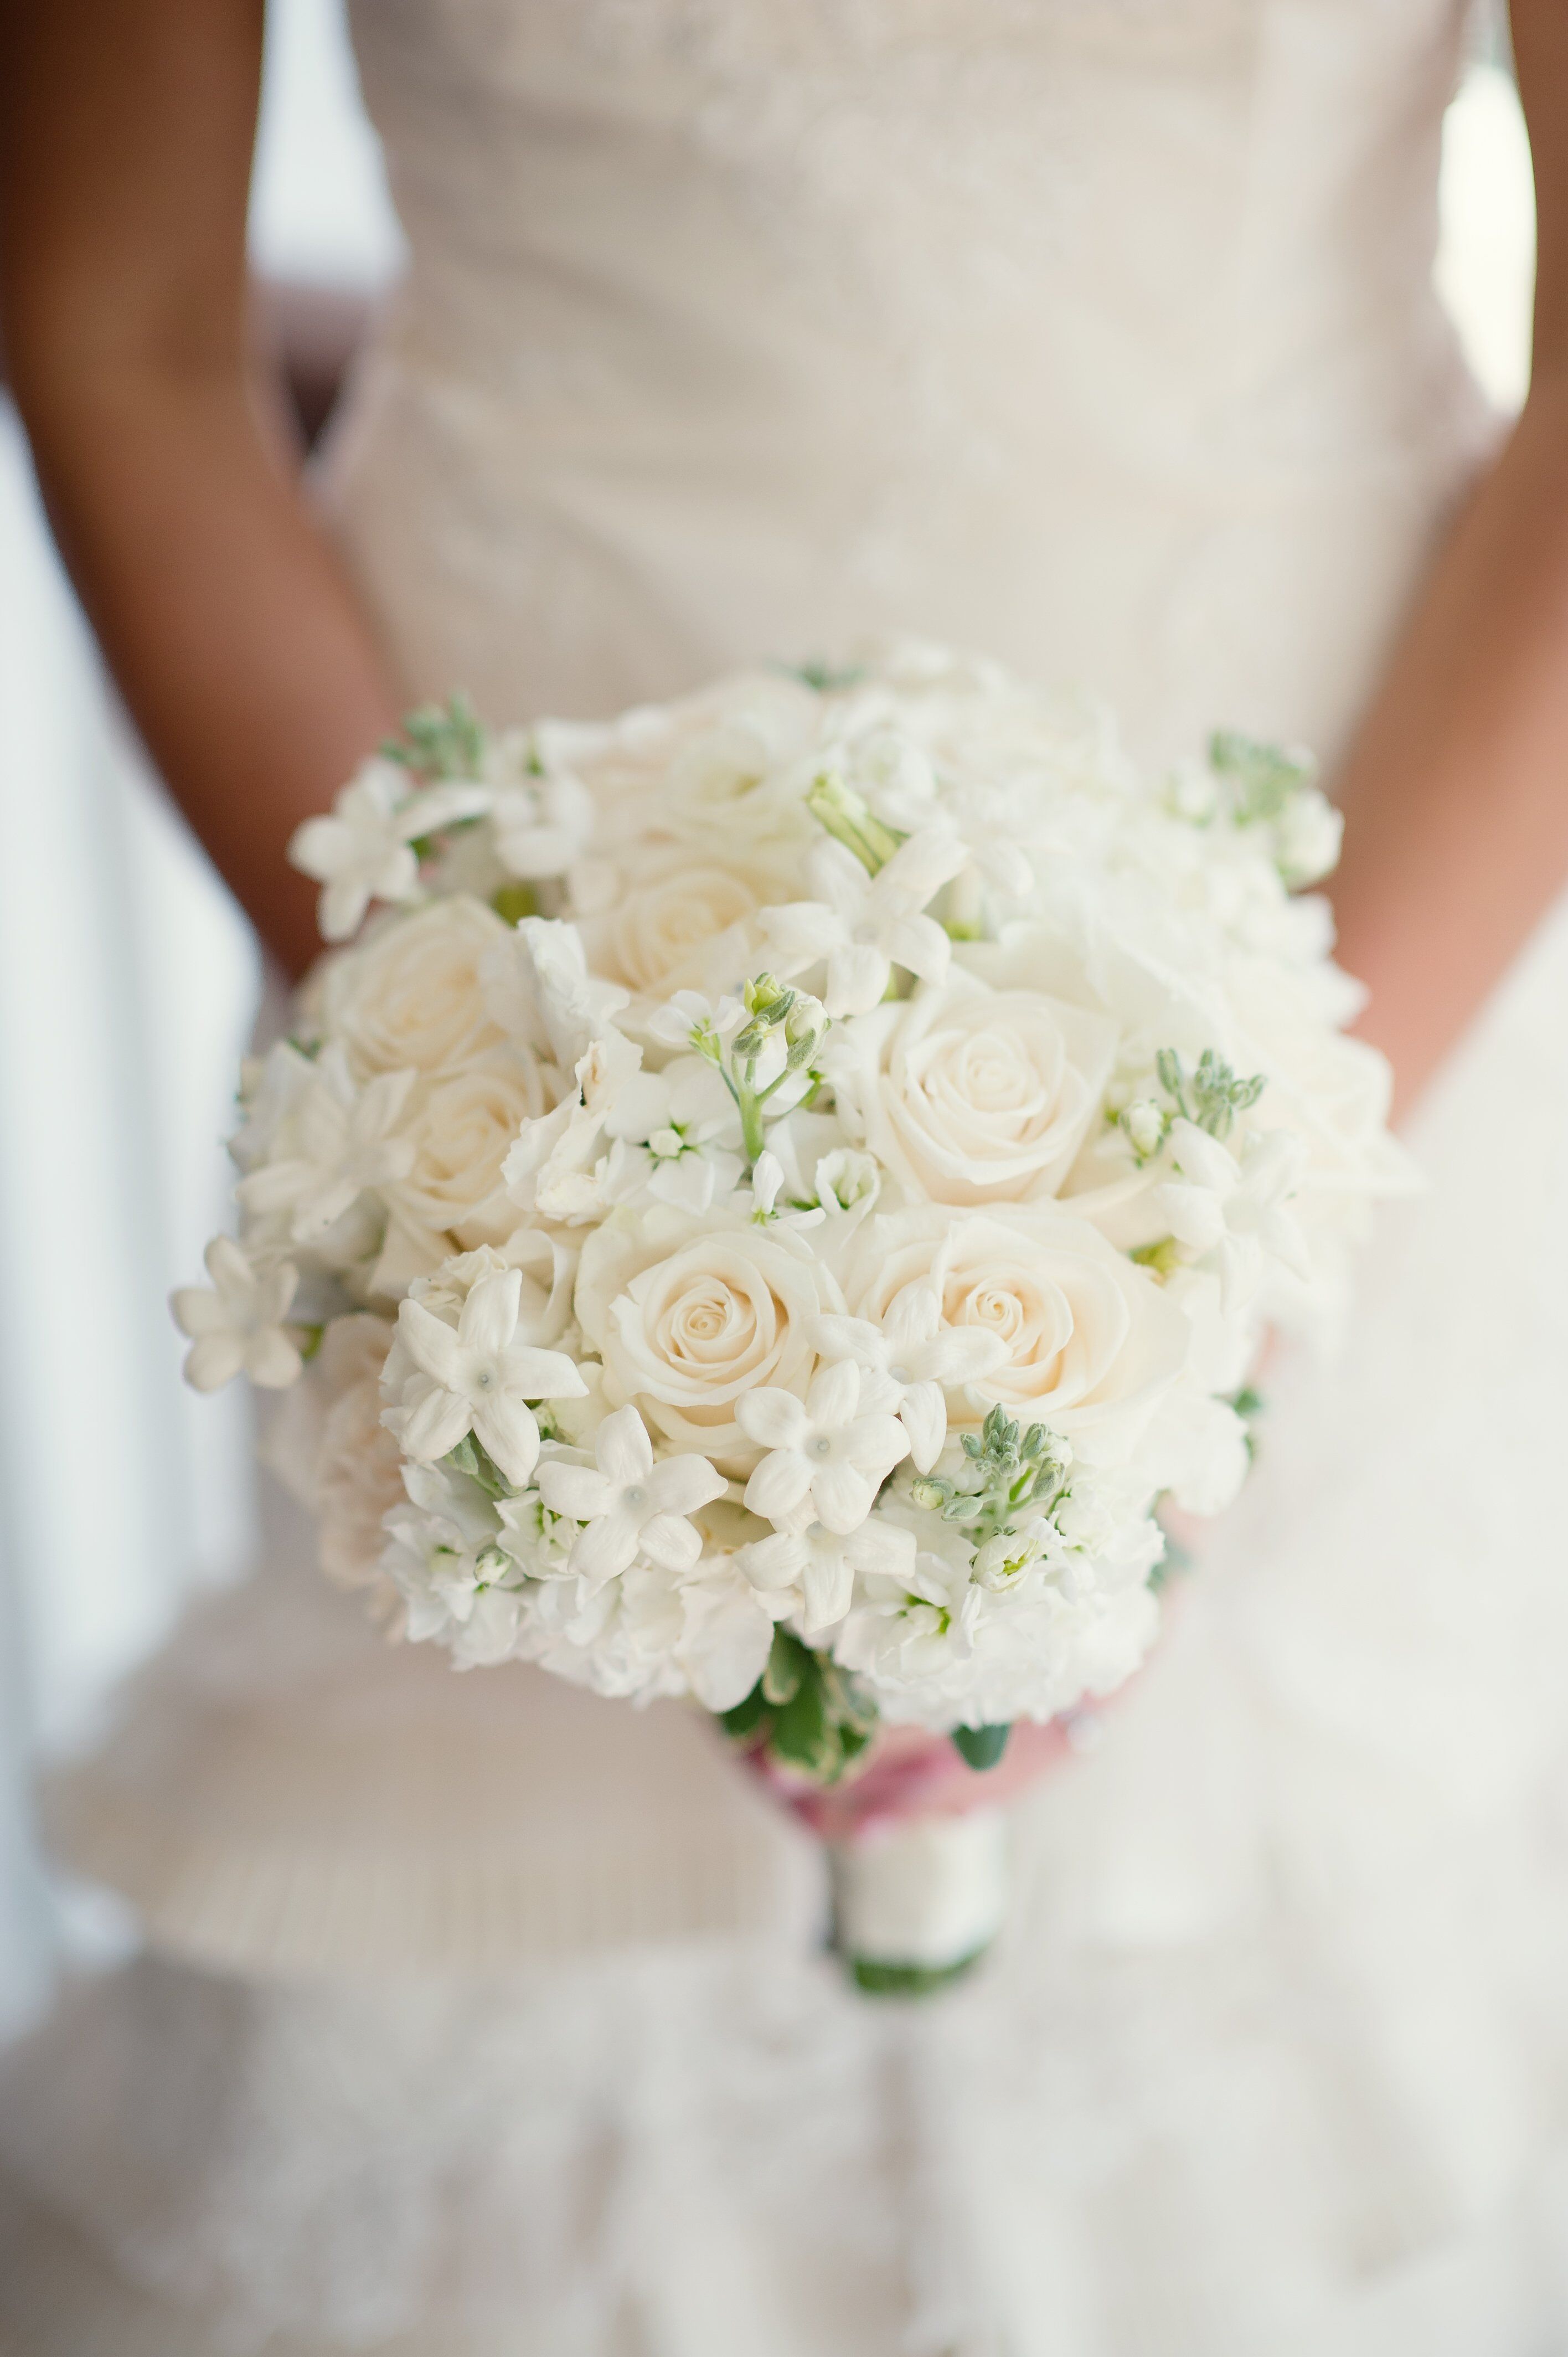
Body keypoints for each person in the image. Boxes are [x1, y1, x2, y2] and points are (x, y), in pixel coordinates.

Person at [3, 1, 1568, 2347]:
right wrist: (506, 1161)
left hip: (1353, 939)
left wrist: (1202, 1260)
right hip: (499, 957)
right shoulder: (492, 1111)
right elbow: (113, 324)